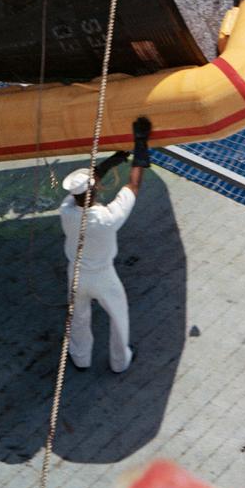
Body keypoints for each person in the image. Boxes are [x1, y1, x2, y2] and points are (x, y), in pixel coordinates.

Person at [59, 116, 150, 374]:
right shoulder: (108, 218)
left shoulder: (66, 210)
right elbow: (133, 184)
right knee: (119, 316)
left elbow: (87, 185)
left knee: (78, 318)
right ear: (96, 189)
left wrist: (114, 159)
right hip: (103, 276)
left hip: (76, 274)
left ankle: (81, 358)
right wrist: (140, 144)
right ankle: (120, 362)